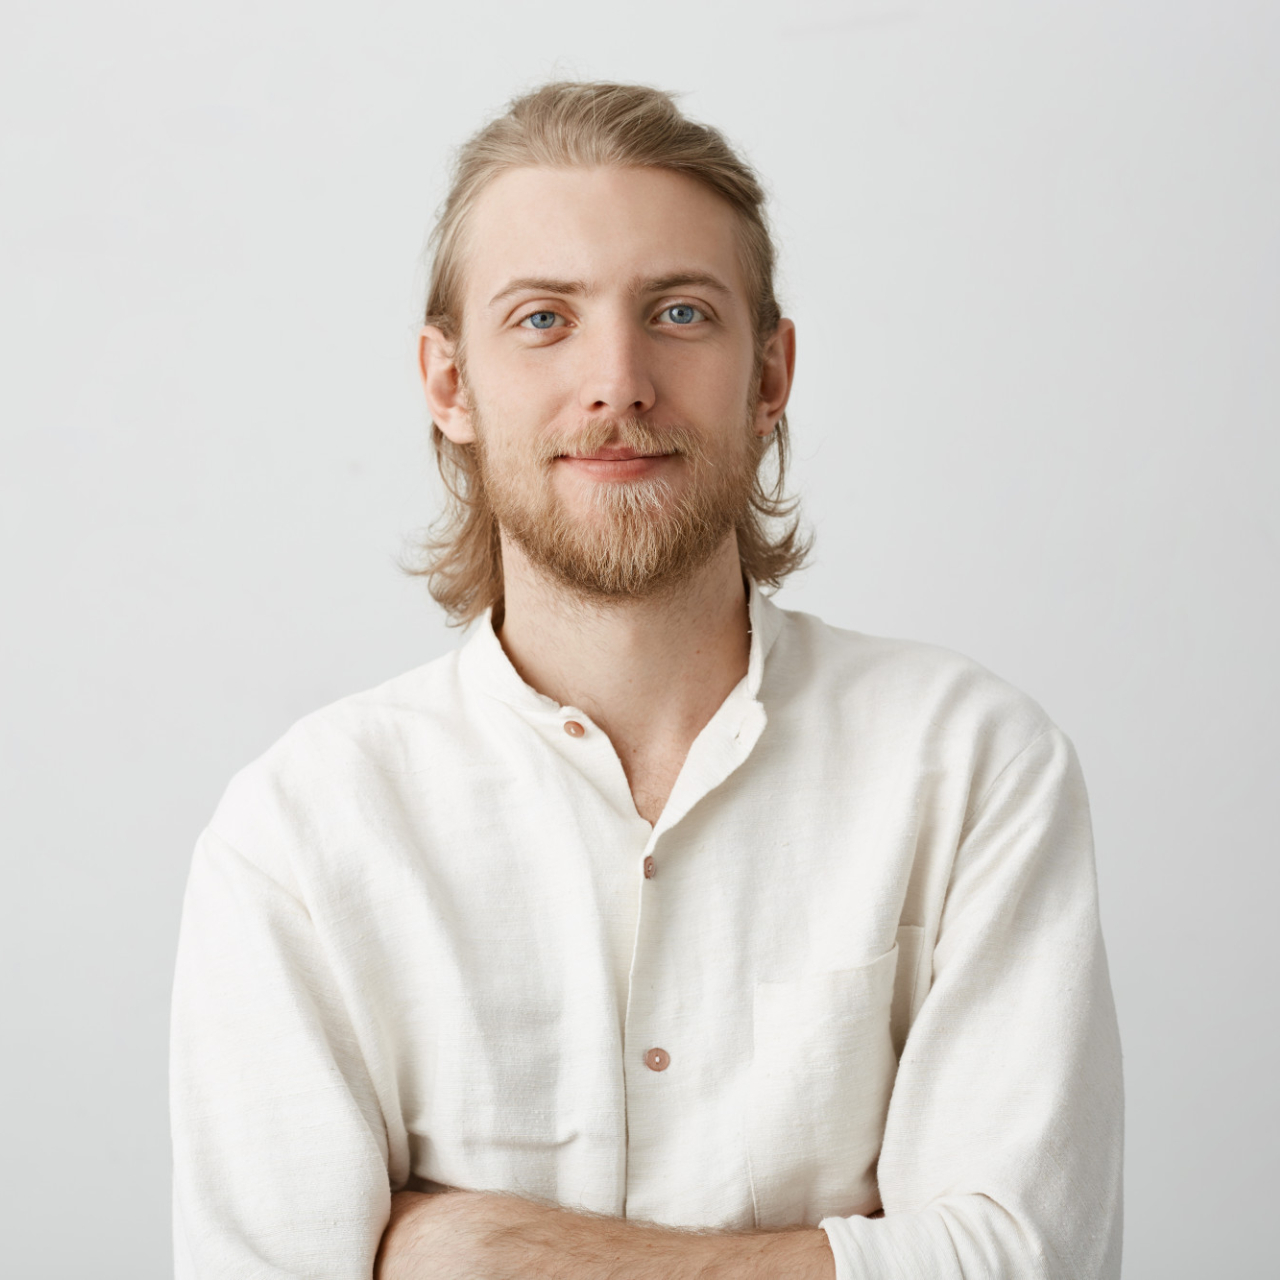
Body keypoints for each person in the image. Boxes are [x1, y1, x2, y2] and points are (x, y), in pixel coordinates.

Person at [169, 81, 1124, 1279]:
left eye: (678, 311)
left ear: (768, 375)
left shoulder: (967, 765)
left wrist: (485, 1251)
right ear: (448, 384)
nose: (617, 380)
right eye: (542, 319)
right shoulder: (302, 831)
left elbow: (1028, 1261)